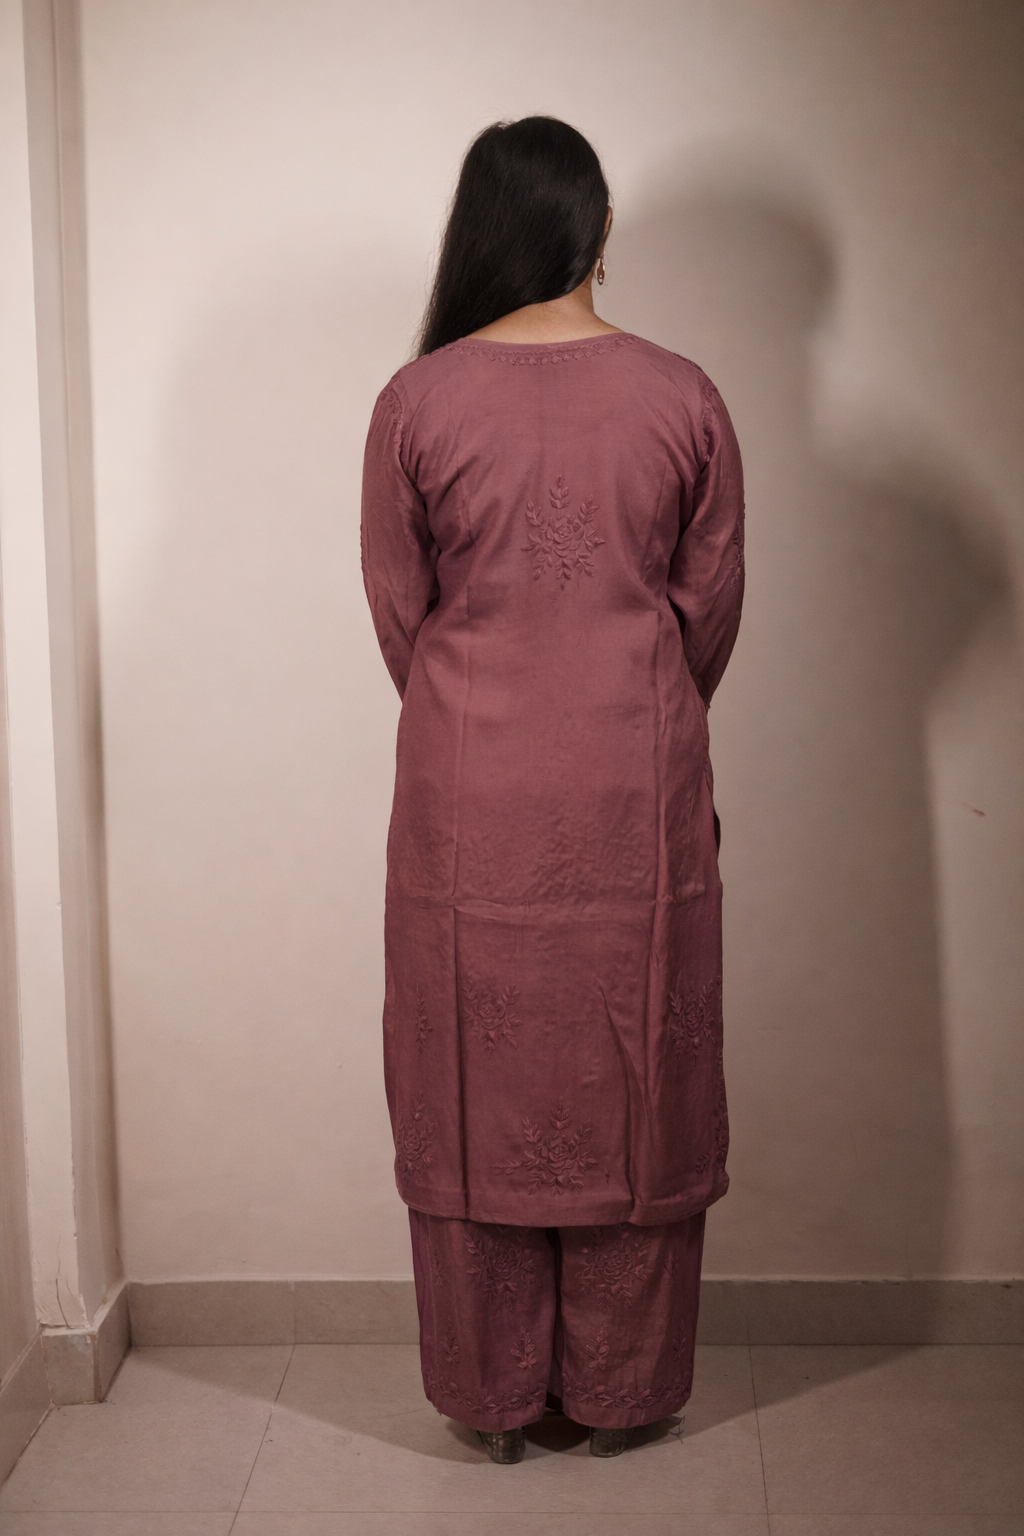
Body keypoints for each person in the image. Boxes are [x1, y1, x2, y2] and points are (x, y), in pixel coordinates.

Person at [359, 116, 744, 1464]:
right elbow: (707, 613)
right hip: (639, 792)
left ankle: (496, 1396)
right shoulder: (685, 395)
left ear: (478, 231)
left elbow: (401, 616)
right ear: (598, 229)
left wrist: (481, 703)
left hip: (469, 800)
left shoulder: (417, 402)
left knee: (474, 1074)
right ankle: (618, 1395)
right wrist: (635, 710)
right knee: (639, 1074)